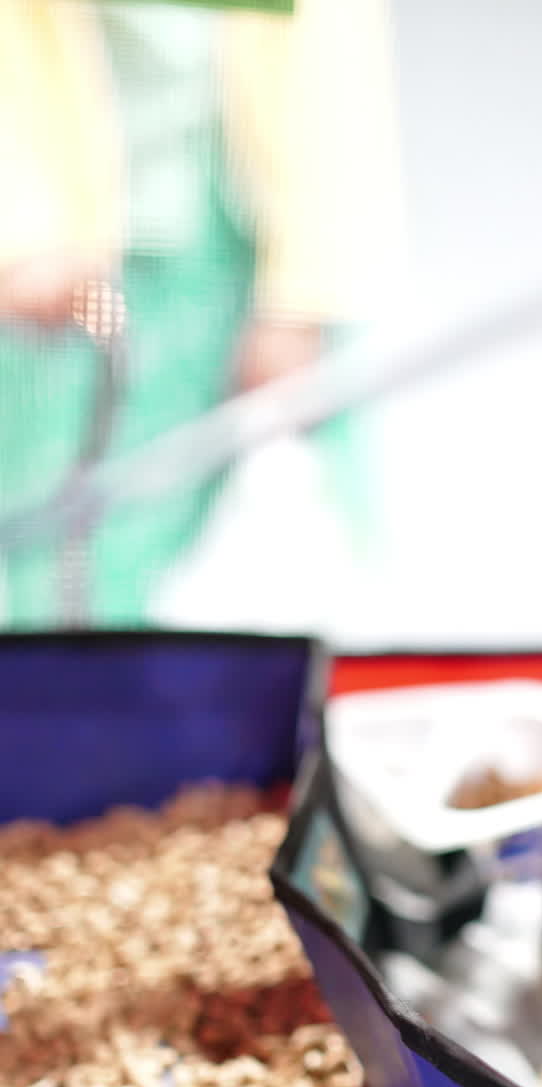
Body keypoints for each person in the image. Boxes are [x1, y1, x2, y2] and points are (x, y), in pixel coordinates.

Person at [0, 0, 403, 625]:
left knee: (307, 556)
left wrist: (300, 295)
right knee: (58, 577)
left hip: (246, 246)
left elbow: (334, 52)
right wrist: (18, 241)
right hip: (64, 285)